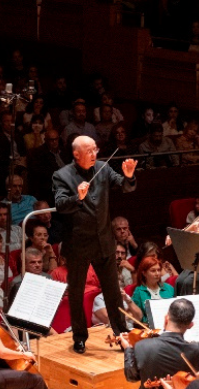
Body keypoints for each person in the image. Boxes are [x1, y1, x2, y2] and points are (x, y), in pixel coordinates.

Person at [53, 135, 138, 353]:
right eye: (89, 150)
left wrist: (128, 177)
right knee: (77, 293)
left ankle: (121, 335)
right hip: (79, 245)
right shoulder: (62, 175)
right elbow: (61, 206)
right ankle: (80, 337)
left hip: (104, 243)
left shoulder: (103, 168)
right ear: (76, 154)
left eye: (95, 149)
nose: (94, 154)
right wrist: (77, 198)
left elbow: (124, 186)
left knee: (112, 292)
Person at [132, 257, 176, 324]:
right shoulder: (138, 292)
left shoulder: (169, 288)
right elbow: (138, 317)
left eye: (158, 270)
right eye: (153, 271)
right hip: (151, 328)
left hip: (171, 324)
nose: (157, 273)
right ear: (144, 273)